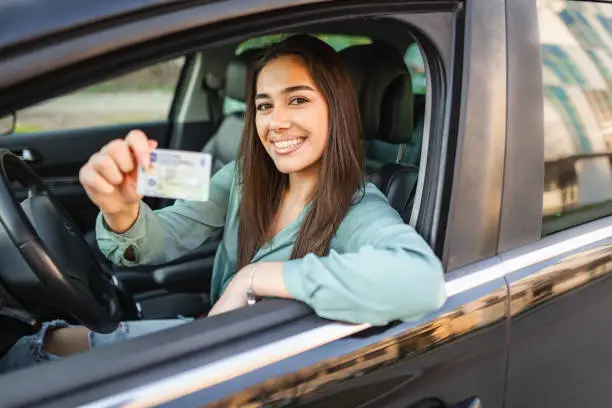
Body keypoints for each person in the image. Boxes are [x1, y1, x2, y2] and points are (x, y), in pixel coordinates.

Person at [0, 35, 446, 373]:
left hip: (265, 367)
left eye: (299, 100)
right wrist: (122, 210)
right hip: (213, 336)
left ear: (339, 109)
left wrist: (255, 277)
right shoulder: (239, 178)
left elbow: (421, 281)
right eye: (264, 105)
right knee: (44, 345)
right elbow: (165, 238)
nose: (277, 122)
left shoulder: (359, 207)